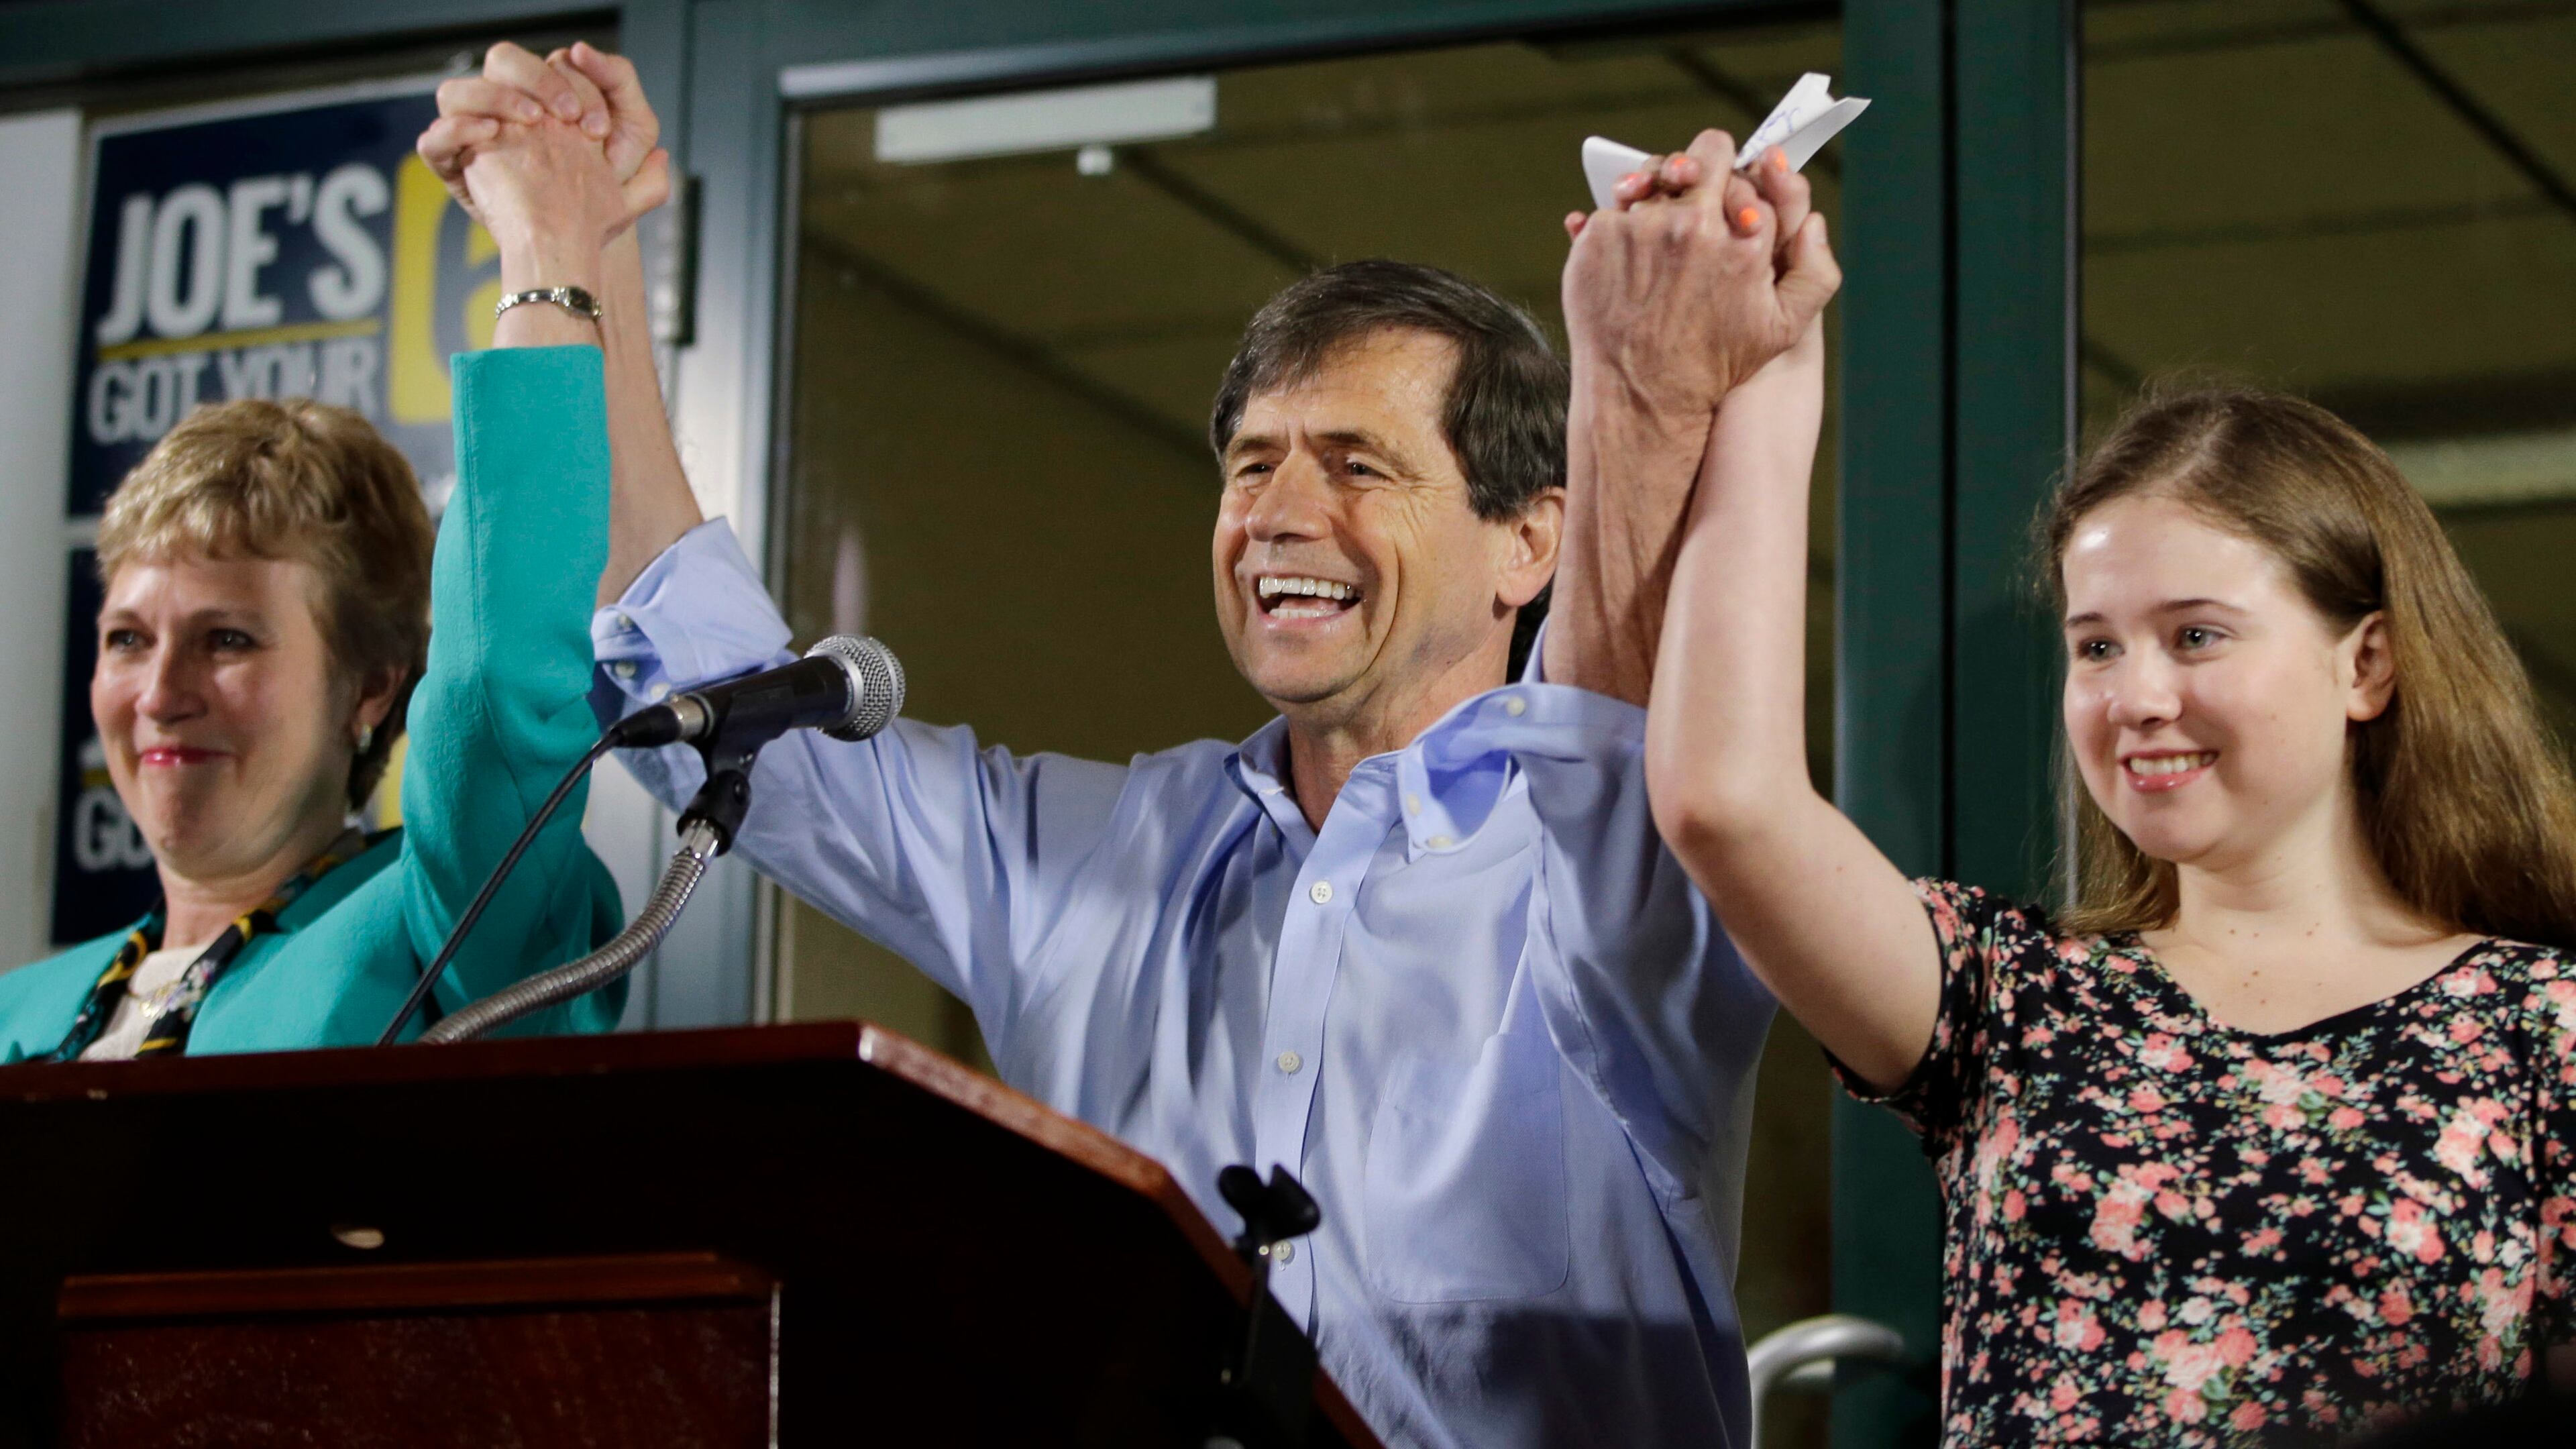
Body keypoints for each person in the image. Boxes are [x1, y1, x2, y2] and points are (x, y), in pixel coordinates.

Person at [421, 44, 1835, 1448]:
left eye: (1358, 463)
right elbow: (711, 684)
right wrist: (579, 247)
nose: (1279, 511)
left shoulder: (1627, 849)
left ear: (1526, 540)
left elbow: (1611, 701)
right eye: (1251, 463)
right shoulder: (1089, 859)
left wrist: (1654, 374)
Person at [1635, 158, 2576, 1438]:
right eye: (2095, 646)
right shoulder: (2014, 1000)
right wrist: (1769, 371)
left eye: (2195, 637)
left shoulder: (2541, 1031)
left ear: (2368, 665)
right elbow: (1724, 802)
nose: (2134, 695)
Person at [0, 122, 648, 1061]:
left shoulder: (442, 934)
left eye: (228, 640)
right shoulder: (23, 1010)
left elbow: (496, 693)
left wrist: (547, 245)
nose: (161, 694)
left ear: (373, 685)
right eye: (129, 639)